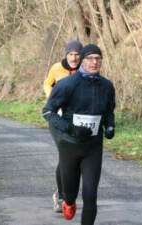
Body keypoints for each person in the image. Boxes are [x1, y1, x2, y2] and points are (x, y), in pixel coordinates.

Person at [43, 44, 115, 225]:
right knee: (70, 193)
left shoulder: (106, 86)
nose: (94, 62)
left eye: (98, 59)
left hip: (93, 147)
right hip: (69, 145)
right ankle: (68, 200)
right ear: (82, 61)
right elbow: (48, 112)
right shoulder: (68, 84)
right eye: (90, 58)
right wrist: (69, 128)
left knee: (91, 194)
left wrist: (110, 126)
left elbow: (109, 111)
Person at [43, 40, 83, 213]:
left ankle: (65, 193)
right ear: (66, 54)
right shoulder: (56, 68)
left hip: (77, 120)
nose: (74, 58)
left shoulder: (86, 69)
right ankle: (61, 196)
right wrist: (52, 98)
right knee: (65, 154)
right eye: (71, 54)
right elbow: (47, 83)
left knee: (74, 158)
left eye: (77, 54)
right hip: (58, 119)